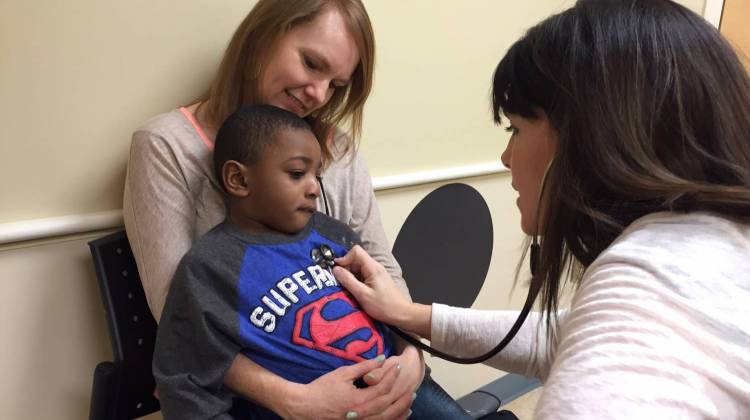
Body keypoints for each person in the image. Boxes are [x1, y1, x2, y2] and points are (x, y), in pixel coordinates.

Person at [333, 0, 750, 418]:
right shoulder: (709, 247)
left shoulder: (646, 287)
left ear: (586, 133)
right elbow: (561, 337)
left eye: (516, 128)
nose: (506, 157)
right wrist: (405, 315)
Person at [123, 0, 468, 418]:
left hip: (375, 363)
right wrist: (295, 401)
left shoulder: (337, 150)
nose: (319, 94)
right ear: (262, 37)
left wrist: (410, 356)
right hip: (264, 393)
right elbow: (182, 317)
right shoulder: (167, 147)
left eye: (336, 84)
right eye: (311, 64)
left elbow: (379, 264)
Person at [153, 104, 406, 419]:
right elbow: (184, 380)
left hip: (397, 391)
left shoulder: (334, 235)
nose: (314, 188)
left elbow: (387, 307)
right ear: (239, 180)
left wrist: (410, 359)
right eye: (298, 174)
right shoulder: (210, 267)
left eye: (317, 175)